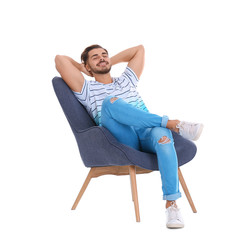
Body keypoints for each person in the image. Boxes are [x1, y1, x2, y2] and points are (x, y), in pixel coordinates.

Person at [55, 44, 203, 229]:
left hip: (148, 132)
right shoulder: (86, 89)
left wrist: (108, 62)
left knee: (164, 138)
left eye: (104, 55)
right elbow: (59, 60)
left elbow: (139, 49)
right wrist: (82, 68)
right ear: (87, 66)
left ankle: (171, 205)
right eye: (95, 57)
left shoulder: (125, 81)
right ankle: (172, 123)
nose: (102, 58)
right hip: (124, 140)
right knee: (110, 102)